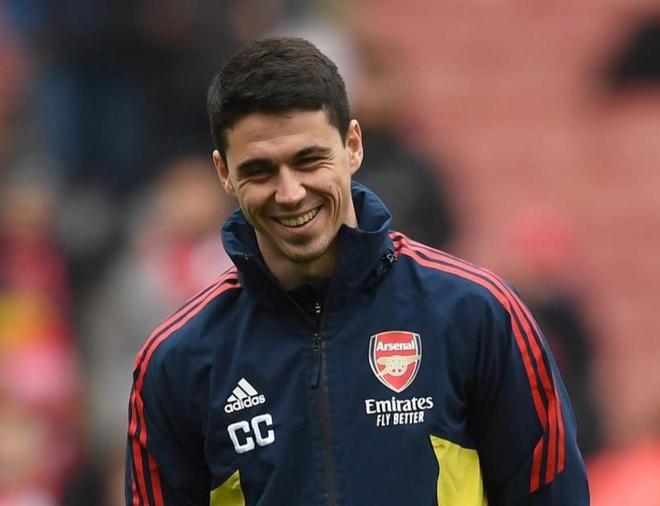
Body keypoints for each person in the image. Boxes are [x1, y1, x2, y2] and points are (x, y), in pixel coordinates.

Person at [125, 37, 589, 505]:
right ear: (224, 173)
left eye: (309, 160)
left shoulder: (476, 314)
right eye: (260, 171)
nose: (290, 193)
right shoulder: (177, 361)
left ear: (352, 146)